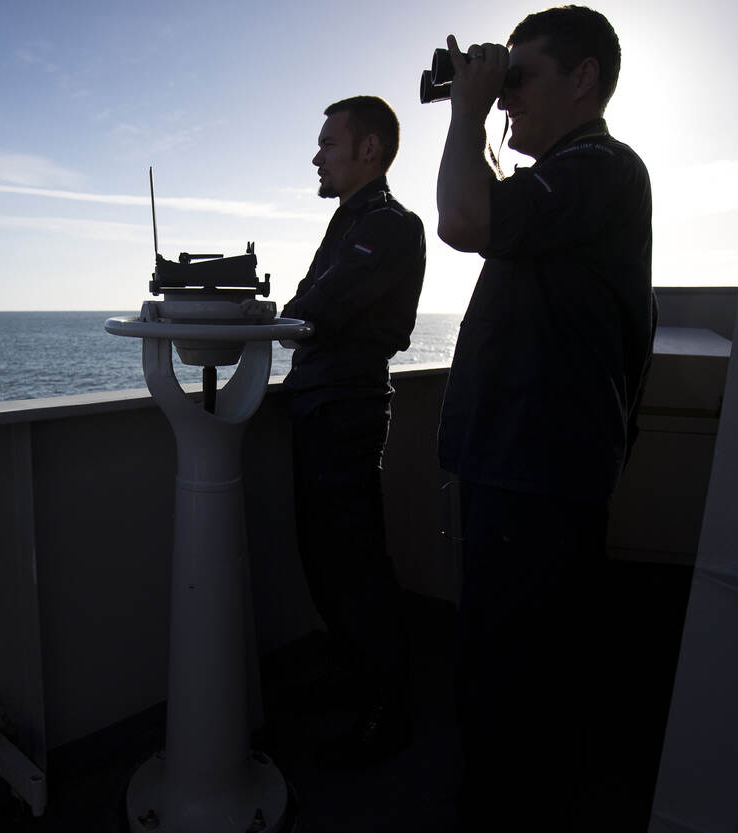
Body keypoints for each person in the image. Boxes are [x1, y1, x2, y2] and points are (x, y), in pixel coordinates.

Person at [434, 6, 654, 830]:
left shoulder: (601, 166)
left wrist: (466, 112)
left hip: (538, 474)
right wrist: (481, 113)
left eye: (520, 77)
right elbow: (488, 205)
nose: (507, 94)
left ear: (584, 78)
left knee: (516, 676)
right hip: (522, 467)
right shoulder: (565, 186)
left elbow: (464, 219)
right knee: (509, 665)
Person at [279, 95, 426, 770]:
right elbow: (304, 307)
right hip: (321, 408)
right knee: (324, 560)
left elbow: (314, 309)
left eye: (328, 144)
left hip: (344, 411)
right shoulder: (350, 222)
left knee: (354, 566)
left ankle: (387, 710)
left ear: (369, 149)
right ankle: (355, 674)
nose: (317, 157)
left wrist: (303, 312)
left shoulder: (389, 225)